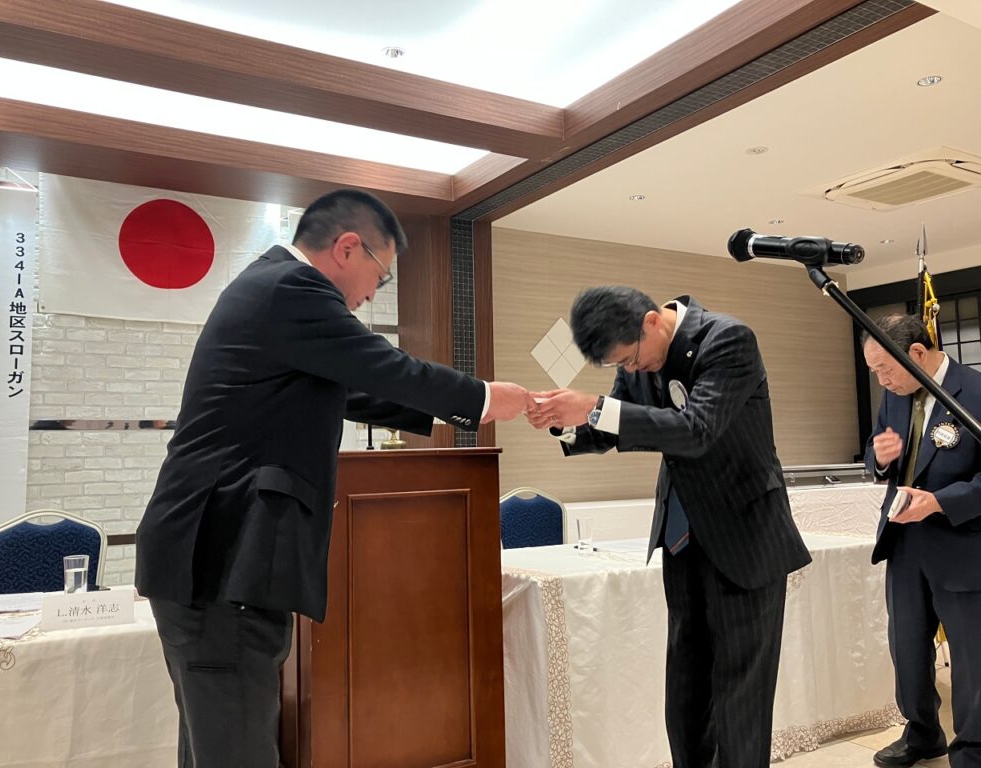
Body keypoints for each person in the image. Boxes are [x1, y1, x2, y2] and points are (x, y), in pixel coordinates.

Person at [135, 188, 531, 767]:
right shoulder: (291, 288)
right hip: (222, 561)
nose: (372, 294)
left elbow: (356, 390)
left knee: (215, 747)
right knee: (237, 749)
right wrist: (486, 397)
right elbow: (387, 367)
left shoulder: (272, 292)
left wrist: (463, 412)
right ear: (348, 247)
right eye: (380, 276)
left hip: (208, 560)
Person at [528, 286, 810, 768]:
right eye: (622, 365)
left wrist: (595, 406)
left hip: (745, 536)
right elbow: (615, 425)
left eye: (631, 359)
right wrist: (562, 419)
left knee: (740, 698)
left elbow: (696, 431)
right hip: (682, 539)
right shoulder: (637, 358)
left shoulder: (728, 339)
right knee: (685, 692)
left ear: (651, 321)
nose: (633, 370)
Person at [863, 314, 981, 768]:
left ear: (916, 353)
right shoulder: (896, 394)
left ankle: (972, 750)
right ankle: (921, 733)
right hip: (904, 541)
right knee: (907, 647)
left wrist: (940, 502)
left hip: (960, 541)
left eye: (885, 369)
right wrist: (878, 458)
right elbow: (878, 450)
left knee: (971, 656)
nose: (882, 380)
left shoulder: (975, 391)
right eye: (874, 371)